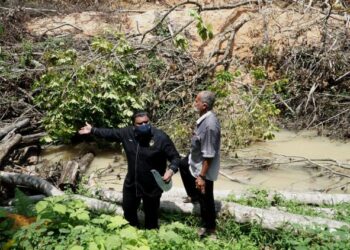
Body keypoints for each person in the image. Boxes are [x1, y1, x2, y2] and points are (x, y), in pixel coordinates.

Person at [79, 111, 180, 229]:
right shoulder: (127, 133)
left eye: (146, 122)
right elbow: (110, 133)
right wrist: (93, 130)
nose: (144, 125)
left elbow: (176, 158)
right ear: (134, 125)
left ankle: (152, 237)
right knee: (128, 210)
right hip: (132, 182)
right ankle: (132, 231)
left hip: (152, 185)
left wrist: (171, 170)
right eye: (140, 123)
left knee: (151, 215)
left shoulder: (160, 137)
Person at [179, 90, 221, 238]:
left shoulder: (210, 125)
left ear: (204, 105)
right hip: (195, 159)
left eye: (196, 101)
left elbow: (209, 155)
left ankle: (209, 228)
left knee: (206, 196)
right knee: (183, 165)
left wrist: (202, 177)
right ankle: (193, 196)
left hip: (204, 166)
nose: (194, 103)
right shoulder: (203, 118)